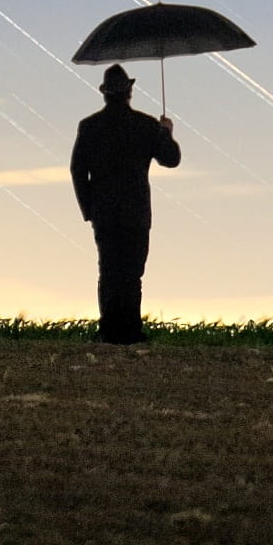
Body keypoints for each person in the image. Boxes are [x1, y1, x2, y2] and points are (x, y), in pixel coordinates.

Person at [69, 62, 180, 344]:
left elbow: (77, 170)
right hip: (136, 212)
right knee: (132, 272)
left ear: (105, 93)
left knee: (108, 270)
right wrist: (166, 131)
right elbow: (171, 159)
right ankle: (129, 330)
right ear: (129, 92)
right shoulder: (145, 126)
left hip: (104, 212)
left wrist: (89, 209)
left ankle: (109, 329)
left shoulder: (90, 126)